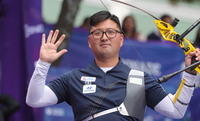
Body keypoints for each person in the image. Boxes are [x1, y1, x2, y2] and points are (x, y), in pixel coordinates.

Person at [26, 11, 199, 121]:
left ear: (121, 39)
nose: (104, 37)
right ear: (89, 41)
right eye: (97, 33)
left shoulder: (140, 78)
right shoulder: (74, 77)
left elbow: (176, 111)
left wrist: (190, 74)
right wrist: (43, 64)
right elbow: (34, 100)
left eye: (111, 32)